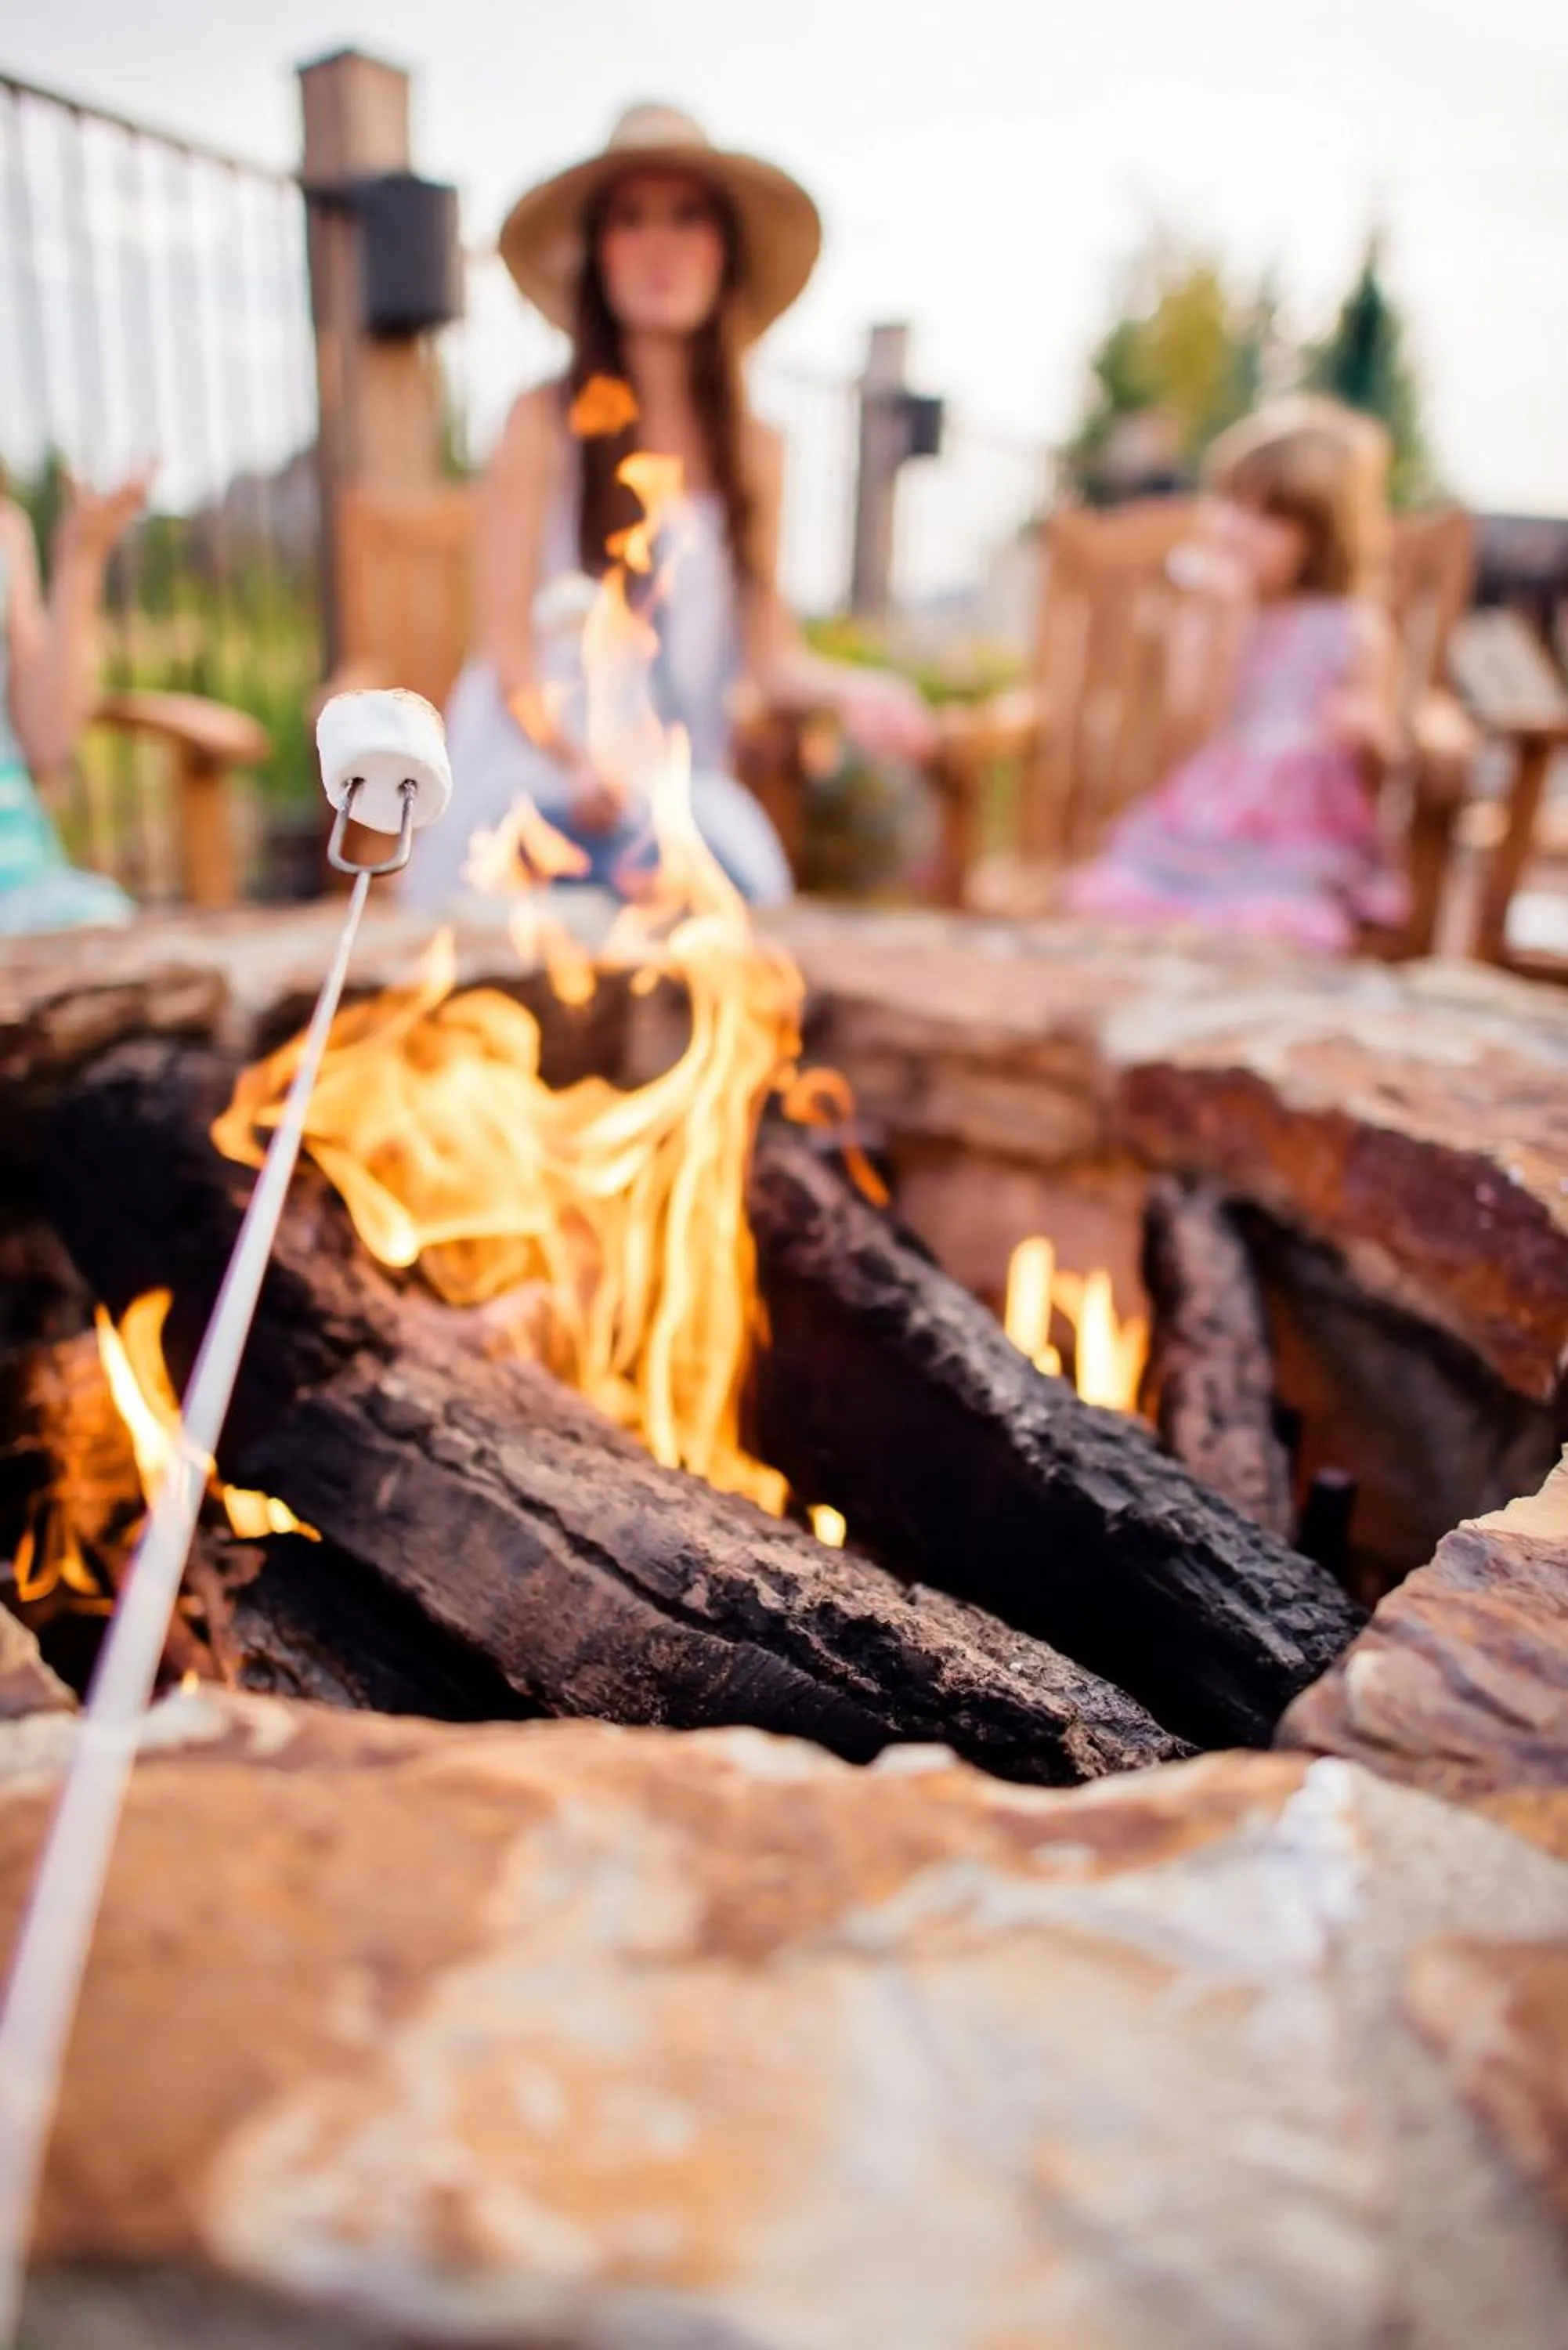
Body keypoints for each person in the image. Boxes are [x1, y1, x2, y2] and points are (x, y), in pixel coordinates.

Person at [402, 103, 934, 914]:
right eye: (631, 219)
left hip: (677, 779)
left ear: (724, 250)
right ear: (598, 254)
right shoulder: (541, 422)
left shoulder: (756, 448)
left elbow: (769, 657)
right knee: (568, 892)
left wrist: (857, 687)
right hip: (536, 760)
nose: (660, 245)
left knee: (725, 896)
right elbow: (508, 651)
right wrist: (575, 757)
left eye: (687, 218)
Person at [1064, 398, 1407, 954]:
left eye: (1267, 517)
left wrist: (1365, 727)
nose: (1236, 528)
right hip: (1209, 816)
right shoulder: (1210, 611)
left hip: (1299, 833)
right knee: (1122, 895)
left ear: (1322, 538)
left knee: (1281, 918)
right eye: (1230, 504)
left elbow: (1383, 744)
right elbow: (1193, 722)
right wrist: (1221, 624)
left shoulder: (1353, 628)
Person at [0, 466, 150, 935]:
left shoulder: (7, 530)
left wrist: (81, 561)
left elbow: (45, 744)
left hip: (23, 882)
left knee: (104, 925)